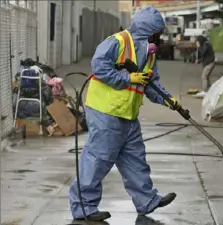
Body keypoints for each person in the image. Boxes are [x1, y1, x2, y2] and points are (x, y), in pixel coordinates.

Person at [68, 6, 181, 222]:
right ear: (149, 31)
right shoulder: (117, 42)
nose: (159, 38)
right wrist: (128, 79)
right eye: (157, 33)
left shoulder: (148, 53)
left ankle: (147, 200)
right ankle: (83, 207)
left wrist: (168, 100)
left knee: (135, 159)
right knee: (98, 159)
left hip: (128, 115)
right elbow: (99, 67)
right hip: (106, 112)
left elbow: (151, 82)